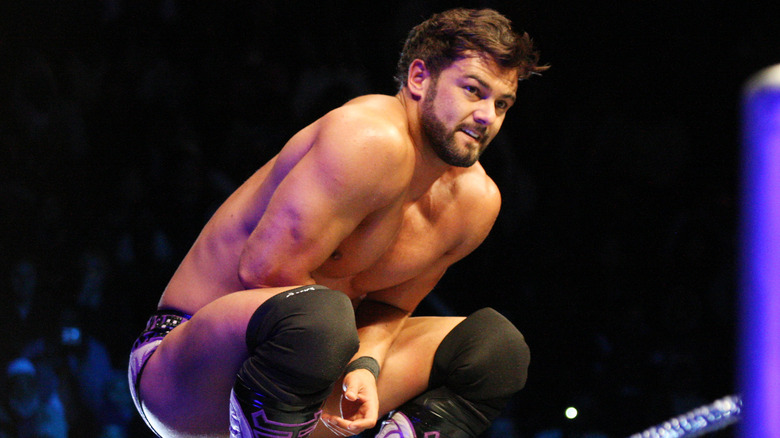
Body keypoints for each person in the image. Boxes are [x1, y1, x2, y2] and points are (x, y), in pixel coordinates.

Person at [128, 7, 548, 438]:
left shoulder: (474, 202)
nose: (486, 116)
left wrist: (366, 365)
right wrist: (337, 356)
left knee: (495, 350)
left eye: (501, 104)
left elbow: (391, 307)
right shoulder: (368, 136)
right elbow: (264, 271)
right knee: (320, 318)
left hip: (311, 371)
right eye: (473, 91)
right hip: (186, 375)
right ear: (420, 78)